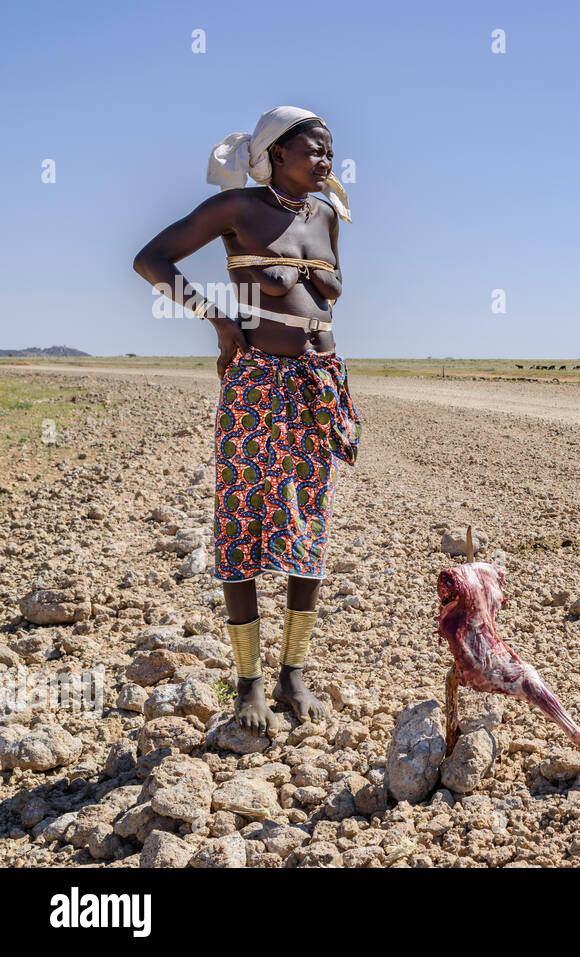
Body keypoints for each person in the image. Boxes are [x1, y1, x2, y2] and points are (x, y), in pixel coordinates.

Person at [132, 106, 360, 733]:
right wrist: (217, 316)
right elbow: (152, 258)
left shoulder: (327, 216)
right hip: (259, 384)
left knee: (307, 525)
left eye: (330, 150)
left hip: (318, 382)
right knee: (244, 524)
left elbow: (320, 301)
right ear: (275, 154)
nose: (326, 160)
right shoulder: (238, 209)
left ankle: (294, 673)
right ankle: (248, 684)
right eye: (314, 150)